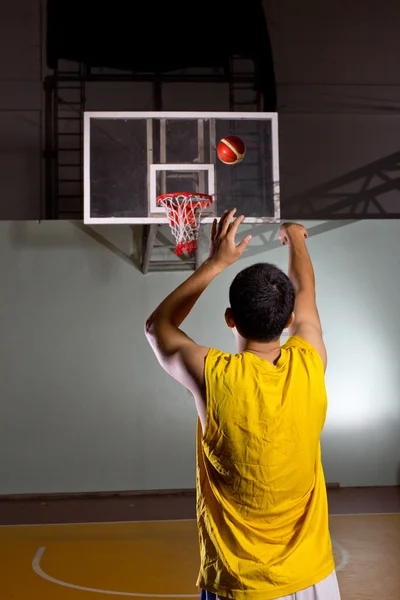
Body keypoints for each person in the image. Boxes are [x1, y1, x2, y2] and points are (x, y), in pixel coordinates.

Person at [145, 209, 341, 600]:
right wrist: (294, 237)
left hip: (238, 586)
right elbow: (306, 293)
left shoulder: (212, 376)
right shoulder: (310, 361)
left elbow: (158, 325)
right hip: (312, 581)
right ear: (288, 321)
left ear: (230, 319)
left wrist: (217, 262)